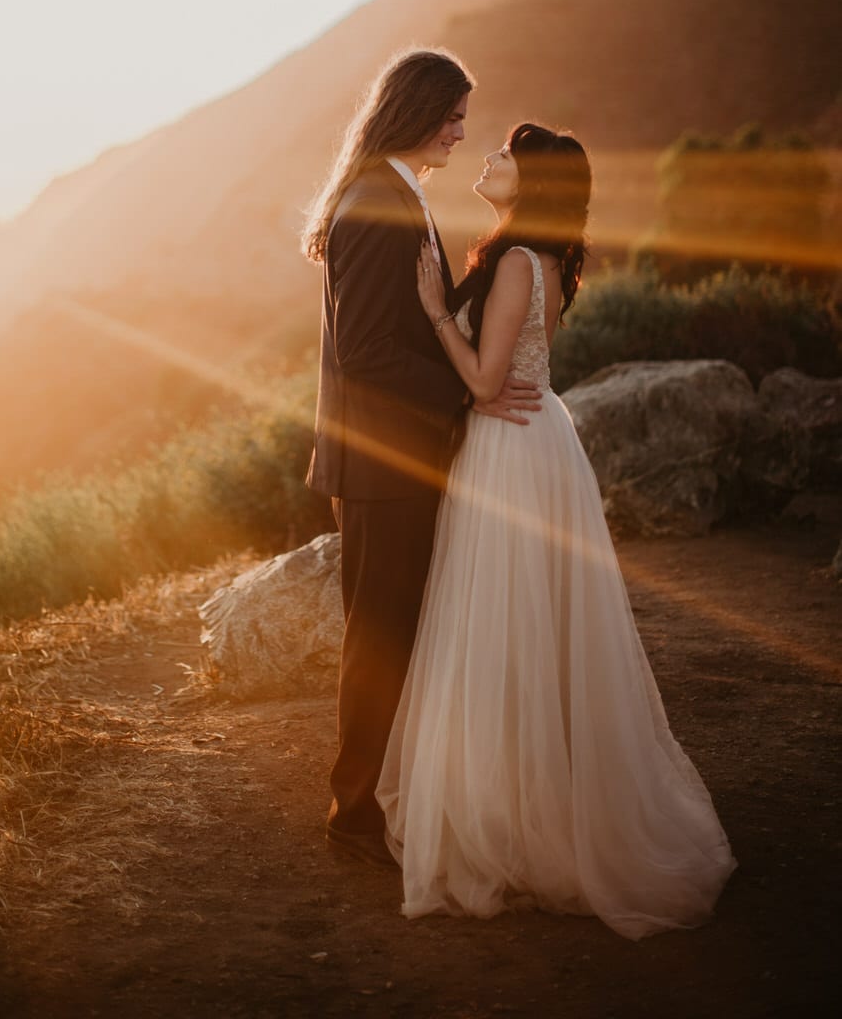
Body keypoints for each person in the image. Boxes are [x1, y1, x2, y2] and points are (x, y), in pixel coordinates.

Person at [377, 123, 737, 937]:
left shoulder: (512, 263)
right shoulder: (533, 257)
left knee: (503, 630)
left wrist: (436, 311)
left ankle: (514, 820)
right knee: (531, 630)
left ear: (530, 183)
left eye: (504, 155)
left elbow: (482, 382)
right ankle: (532, 798)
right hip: (538, 449)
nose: (489, 161)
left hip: (510, 453)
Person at [301, 51, 541, 869]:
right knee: (380, 634)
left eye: (463, 115)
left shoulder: (392, 195)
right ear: (412, 109)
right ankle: (354, 808)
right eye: (450, 113)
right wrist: (468, 391)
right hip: (383, 463)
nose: (461, 130)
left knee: (397, 630)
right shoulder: (377, 204)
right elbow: (368, 352)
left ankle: (382, 792)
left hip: (398, 458)